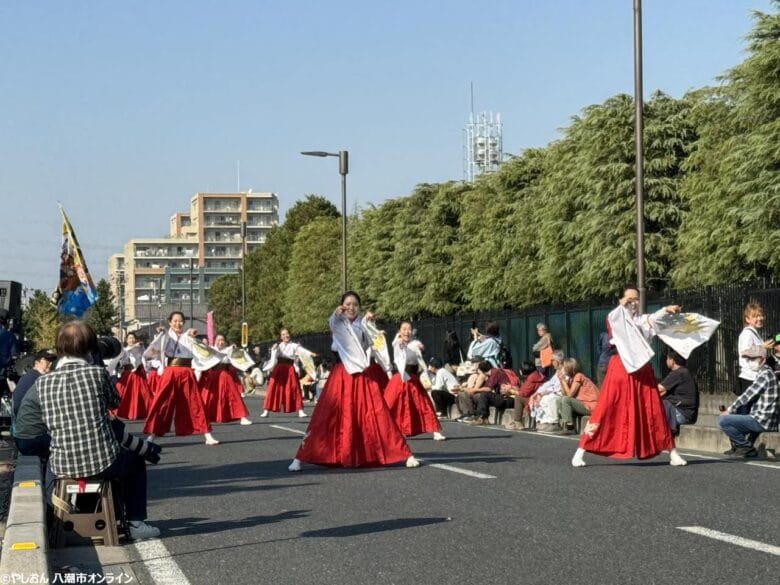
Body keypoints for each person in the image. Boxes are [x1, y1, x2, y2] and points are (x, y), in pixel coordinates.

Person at [37, 320, 161, 540]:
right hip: (103, 461)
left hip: (62, 464)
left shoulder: (43, 382)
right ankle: (135, 522)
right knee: (133, 461)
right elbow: (114, 403)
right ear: (90, 348)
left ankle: (54, 518)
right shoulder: (96, 374)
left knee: (53, 459)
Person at [289, 291, 419, 471]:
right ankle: (301, 457)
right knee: (326, 415)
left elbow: (375, 345)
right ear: (342, 306)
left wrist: (371, 324)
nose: (351, 307)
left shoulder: (362, 325)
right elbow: (332, 321)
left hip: (362, 376)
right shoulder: (337, 322)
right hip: (341, 375)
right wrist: (336, 313)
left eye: (355, 304)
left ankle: (404, 453)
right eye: (348, 304)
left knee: (378, 412)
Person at [572, 287, 687, 467]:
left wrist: (666, 310)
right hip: (621, 366)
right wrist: (622, 307)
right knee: (607, 406)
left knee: (654, 407)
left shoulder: (641, 320)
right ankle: (581, 449)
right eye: (629, 300)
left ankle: (672, 452)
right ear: (620, 301)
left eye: (636, 300)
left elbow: (651, 319)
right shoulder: (614, 317)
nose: (633, 303)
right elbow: (616, 318)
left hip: (643, 369)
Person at [143, 311, 219, 445]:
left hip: (186, 372)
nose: (178, 324)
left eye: (180, 321)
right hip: (170, 371)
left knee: (195, 402)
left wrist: (192, 334)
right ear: (170, 322)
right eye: (175, 321)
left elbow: (195, 340)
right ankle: (152, 433)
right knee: (162, 402)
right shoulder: (165, 335)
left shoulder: (188, 336)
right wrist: (161, 332)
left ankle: (207, 434)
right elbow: (155, 349)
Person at [383, 321, 445, 441]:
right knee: (393, 405)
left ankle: (435, 431)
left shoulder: (415, 343)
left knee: (424, 404)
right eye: (404, 329)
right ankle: (387, 430)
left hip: (413, 378)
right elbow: (397, 346)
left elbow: (419, 349)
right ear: (399, 331)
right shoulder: (397, 342)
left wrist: (421, 348)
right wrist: (400, 341)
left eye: (409, 329)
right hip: (401, 378)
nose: (407, 331)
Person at [718, 345, 779, 458]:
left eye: (753, 359)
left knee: (723, 420)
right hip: (763, 418)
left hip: (762, 420)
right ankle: (744, 446)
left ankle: (745, 446)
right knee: (734, 417)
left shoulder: (765, 375)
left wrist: (730, 409)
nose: (750, 362)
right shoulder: (765, 373)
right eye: (748, 359)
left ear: (763, 359)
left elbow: (747, 395)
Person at [199, 334, 252, 426]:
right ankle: (202, 417)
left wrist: (235, 350)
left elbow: (238, 359)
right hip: (213, 375)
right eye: (218, 340)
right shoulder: (211, 349)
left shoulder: (229, 350)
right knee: (208, 396)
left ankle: (242, 417)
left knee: (234, 395)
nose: (220, 342)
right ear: (214, 341)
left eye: (222, 340)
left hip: (225, 374)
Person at [260, 328, 314, 418]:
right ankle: (266, 410)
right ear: (281, 337)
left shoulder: (295, 346)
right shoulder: (278, 346)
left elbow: (301, 355)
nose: (286, 336)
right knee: (273, 388)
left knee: (294, 388)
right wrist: (274, 349)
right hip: (279, 368)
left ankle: (300, 410)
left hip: (290, 369)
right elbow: (274, 356)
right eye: (283, 335)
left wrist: (309, 354)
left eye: (287, 334)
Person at [657, 349, 699, 436]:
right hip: (688, 414)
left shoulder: (678, 373)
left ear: (672, 361)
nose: (666, 361)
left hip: (682, 414)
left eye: (668, 358)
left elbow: (659, 389)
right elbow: (664, 391)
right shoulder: (684, 372)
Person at [114, 332, 153, 420]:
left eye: (133, 338)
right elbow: (121, 360)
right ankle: (121, 409)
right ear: (126, 340)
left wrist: (141, 347)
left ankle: (141, 410)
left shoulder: (139, 348)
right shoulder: (124, 350)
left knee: (142, 393)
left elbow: (146, 356)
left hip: (138, 374)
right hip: (127, 373)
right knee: (121, 390)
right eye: (129, 338)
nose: (131, 340)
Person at [557, 357, 600, 435]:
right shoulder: (571, 379)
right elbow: (564, 394)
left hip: (590, 405)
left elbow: (570, 395)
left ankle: (570, 428)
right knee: (560, 400)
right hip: (583, 404)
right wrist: (561, 381)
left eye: (563, 367)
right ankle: (565, 425)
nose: (562, 369)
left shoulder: (579, 376)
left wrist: (563, 380)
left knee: (566, 400)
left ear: (568, 367)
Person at [466, 360, 514, 426]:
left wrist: (475, 390)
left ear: (482, 371)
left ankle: (482, 418)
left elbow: (488, 389)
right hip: (503, 398)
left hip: (508, 399)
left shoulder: (495, 372)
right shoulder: (492, 374)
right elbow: (486, 387)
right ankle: (479, 416)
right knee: (482, 395)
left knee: (485, 394)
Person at [527, 350, 565, 432]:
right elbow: (548, 384)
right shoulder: (557, 372)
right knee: (538, 398)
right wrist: (536, 394)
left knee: (548, 398)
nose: (551, 363)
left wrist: (542, 394)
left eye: (552, 360)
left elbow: (557, 388)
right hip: (553, 392)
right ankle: (541, 422)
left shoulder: (564, 371)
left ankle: (553, 423)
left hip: (560, 394)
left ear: (557, 361)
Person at [12, 350, 55, 417]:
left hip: (21, 419)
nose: (51, 363)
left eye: (52, 361)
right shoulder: (39, 379)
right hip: (29, 420)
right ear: (37, 363)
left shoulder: (28, 376)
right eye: (47, 360)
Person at [505, 361, 545, 430]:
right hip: (538, 398)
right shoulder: (537, 375)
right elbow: (525, 389)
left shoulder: (531, 378)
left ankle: (517, 421)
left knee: (518, 397)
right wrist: (512, 387)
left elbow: (524, 393)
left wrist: (511, 391)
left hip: (535, 400)